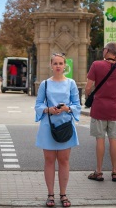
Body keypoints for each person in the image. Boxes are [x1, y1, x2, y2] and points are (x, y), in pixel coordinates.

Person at [35, 53, 81, 207]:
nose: (58, 66)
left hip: (65, 125)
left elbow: (77, 105)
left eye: (61, 63)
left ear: (65, 65)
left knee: (64, 161)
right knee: (49, 161)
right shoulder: (45, 84)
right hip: (48, 126)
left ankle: (63, 194)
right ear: (51, 65)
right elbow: (38, 105)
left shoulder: (71, 83)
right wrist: (49, 110)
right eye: (55, 63)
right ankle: (50, 195)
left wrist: (68, 108)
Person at [85, 42, 116, 182]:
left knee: (100, 139)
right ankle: (115, 171)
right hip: (115, 108)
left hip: (99, 108)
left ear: (107, 50)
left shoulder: (96, 65)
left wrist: (87, 97)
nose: (102, 51)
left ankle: (98, 172)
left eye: (104, 49)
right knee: (114, 140)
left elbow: (88, 87)